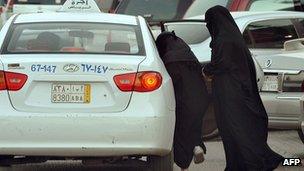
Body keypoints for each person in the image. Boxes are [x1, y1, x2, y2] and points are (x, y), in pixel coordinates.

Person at [203, 5, 284, 171]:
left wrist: (206, 70)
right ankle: (239, 165)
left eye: (208, 22)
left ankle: (250, 164)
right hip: (235, 92)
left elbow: (221, 64)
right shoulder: (231, 38)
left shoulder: (224, 41)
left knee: (236, 129)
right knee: (236, 129)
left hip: (231, 94)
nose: (207, 26)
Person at [156, 31, 209, 171]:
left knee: (179, 128)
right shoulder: (188, 54)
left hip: (180, 99)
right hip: (199, 97)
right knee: (193, 124)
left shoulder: (169, 60)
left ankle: (182, 162)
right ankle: (196, 145)